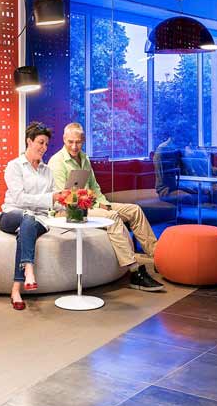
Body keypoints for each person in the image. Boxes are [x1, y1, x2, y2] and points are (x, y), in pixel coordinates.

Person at [49, 123, 164, 291]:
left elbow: (94, 187)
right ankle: (134, 272)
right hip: (68, 211)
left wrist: (105, 204)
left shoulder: (84, 158)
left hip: (90, 204)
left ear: (84, 141)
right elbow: (63, 197)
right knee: (112, 218)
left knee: (134, 210)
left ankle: (158, 259)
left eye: (78, 142)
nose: (74, 146)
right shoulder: (57, 162)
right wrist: (98, 207)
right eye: (70, 142)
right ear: (64, 140)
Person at [0, 121, 63, 311]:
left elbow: (54, 200)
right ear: (29, 141)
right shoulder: (14, 166)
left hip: (40, 220)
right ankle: (28, 269)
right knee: (26, 216)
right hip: (11, 214)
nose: (44, 148)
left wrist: (65, 200)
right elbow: (18, 199)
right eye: (40, 143)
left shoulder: (47, 171)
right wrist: (49, 198)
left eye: (46, 144)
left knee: (28, 224)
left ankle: (16, 289)